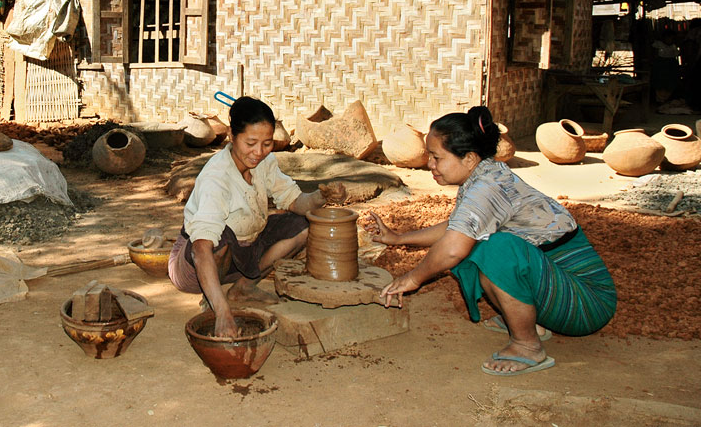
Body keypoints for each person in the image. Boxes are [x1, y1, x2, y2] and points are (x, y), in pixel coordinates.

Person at [369, 106, 616, 376]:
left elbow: (452, 248)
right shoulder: (485, 175)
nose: (430, 164)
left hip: (587, 304)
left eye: (437, 157)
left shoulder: (486, 188)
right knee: (482, 244)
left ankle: (527, 345)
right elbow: (457, 228)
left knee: (494, 249)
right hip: (562, 287)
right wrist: (399, 238)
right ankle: (529, 320)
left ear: (470, 158)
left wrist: (413, 277)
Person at [167, 96, 327, 338]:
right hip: (194, 267)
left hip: (243, 255)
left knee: (304, 225)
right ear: (232, 136)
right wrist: (223, 314)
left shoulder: (265, 162)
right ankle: (214, 301)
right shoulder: (217, 177)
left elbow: (295, 202)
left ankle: (244, 288)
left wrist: (321, 196)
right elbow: (201, 248)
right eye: (251, 143)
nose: (259, 152)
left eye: (267, 143)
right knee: (218, 238)